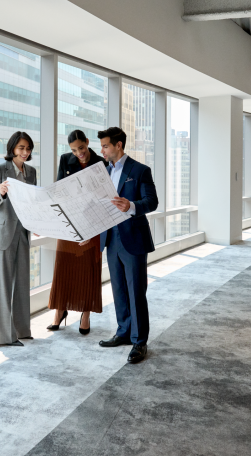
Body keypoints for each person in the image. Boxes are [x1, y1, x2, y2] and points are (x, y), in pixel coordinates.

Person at [97, 127, 158, 363]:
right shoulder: (103, 171)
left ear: (118, 145)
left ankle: (139, 341)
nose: (102, 150)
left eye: (105, 146)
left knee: (136, 292)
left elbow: (151, 201)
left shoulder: (140, 170)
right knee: (119, 290)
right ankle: (123, 332)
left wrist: (130, 206)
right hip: (110, 238)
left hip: (133, 238)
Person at [47, 130, 108, 334]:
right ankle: (60, 310)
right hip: (69, 223)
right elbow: (58, 190)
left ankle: (86, 313)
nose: (78, 153)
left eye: (81, 148)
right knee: (63, 266)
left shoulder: (101, 163)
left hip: (92, 223)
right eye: (74, 150)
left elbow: (105, 196)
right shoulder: (65, 160)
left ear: (87, 143)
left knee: (89, 270)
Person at [0, 131, 37, 347]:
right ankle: (3, 337)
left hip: (23, 233)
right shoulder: (0, 170)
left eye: (28, 148)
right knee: (4, 286)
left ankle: (21, 330)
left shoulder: (32, 172)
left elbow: (32, 201)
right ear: (12, 149)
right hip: (4, 233)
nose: (25, 152)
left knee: (22, 284)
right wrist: (2, 194)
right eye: (21, 148)